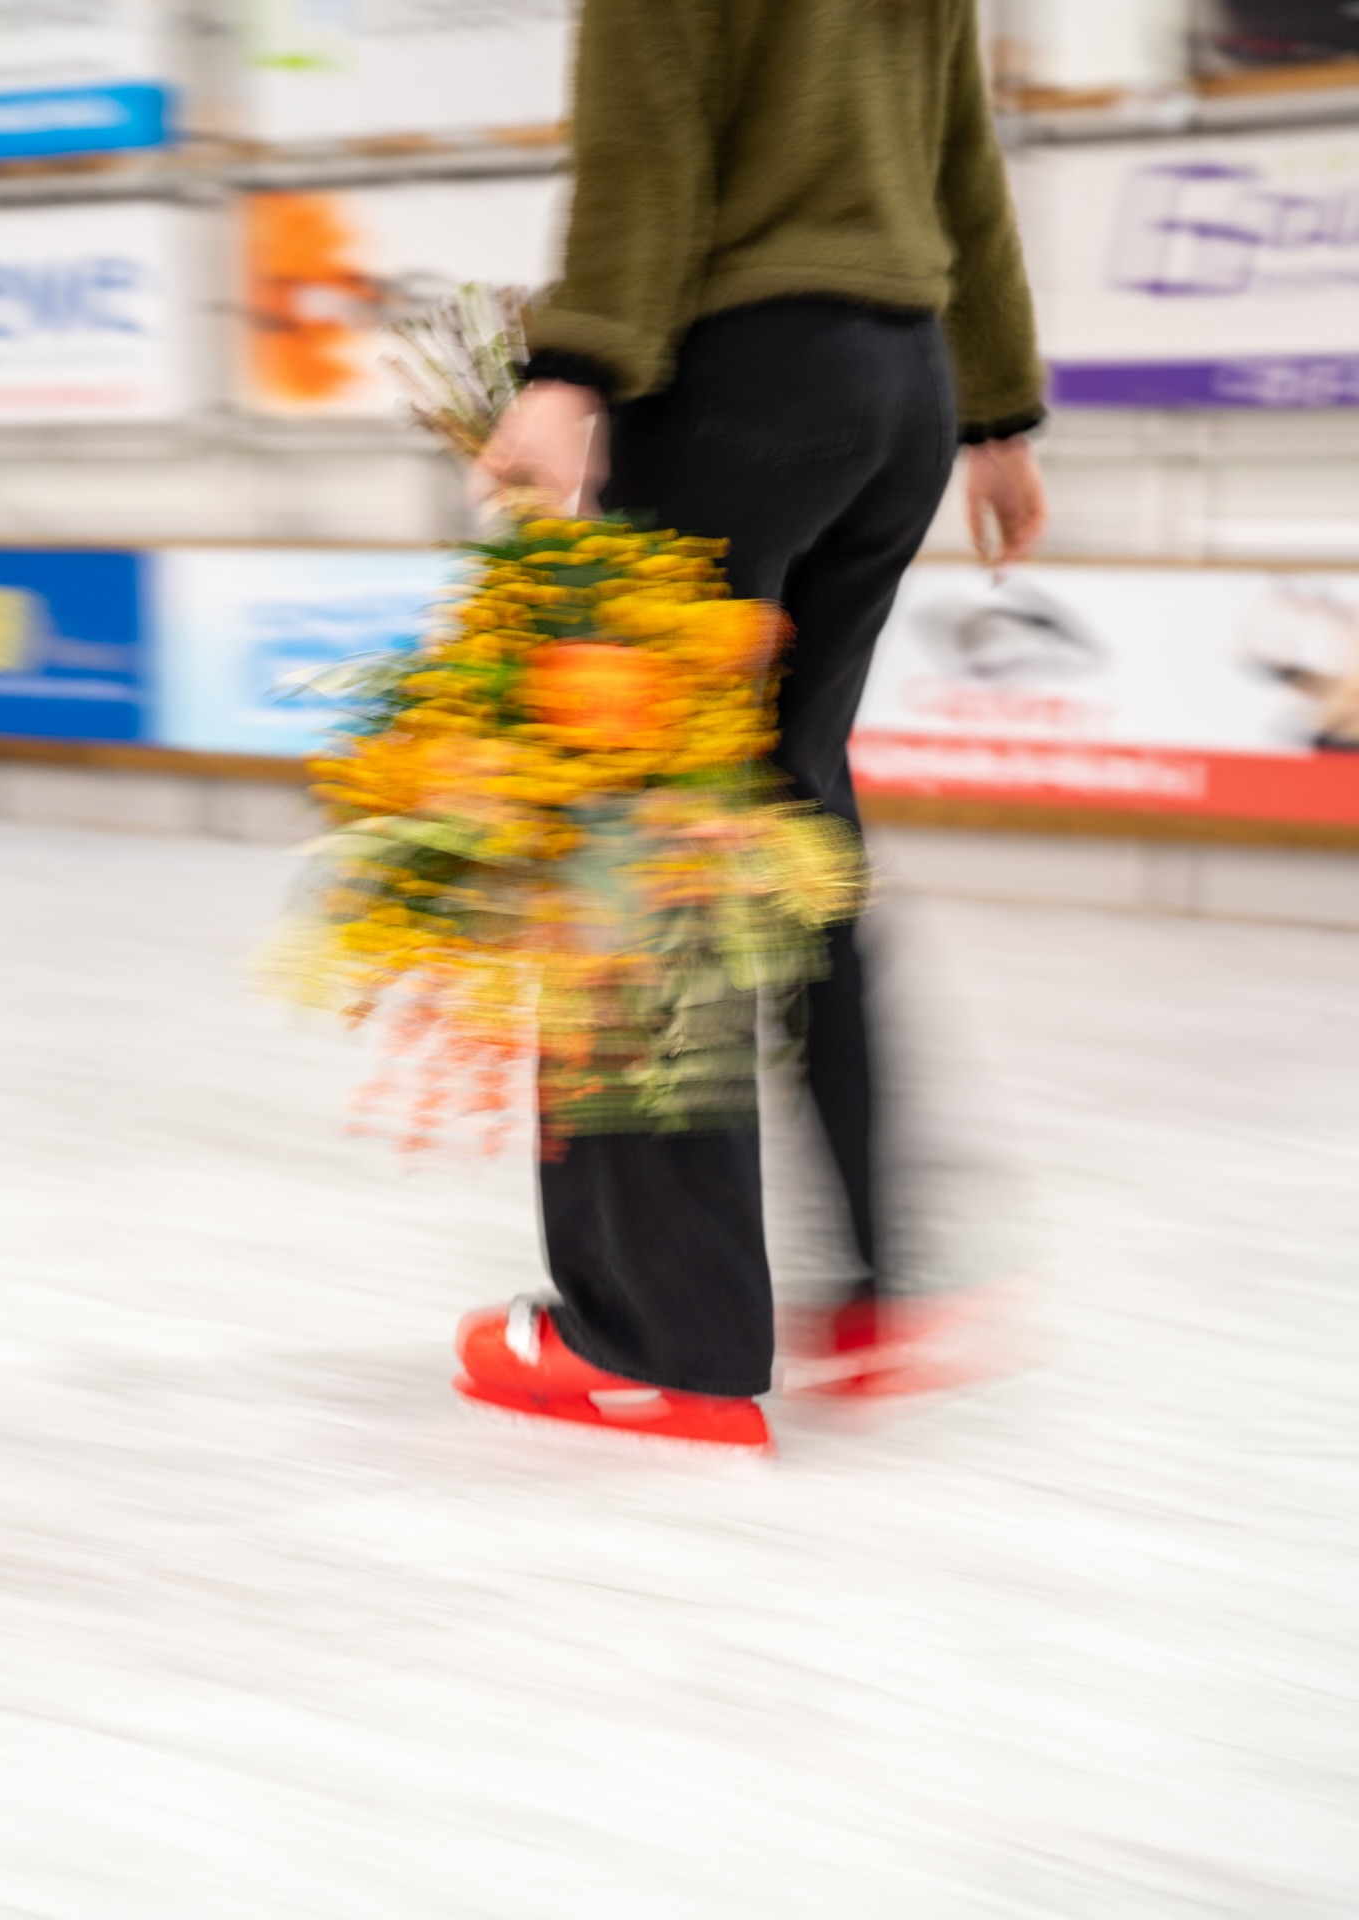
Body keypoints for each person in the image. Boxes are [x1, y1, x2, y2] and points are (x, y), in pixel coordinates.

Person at [454, 0, 1048, 1451]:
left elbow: (645, 147)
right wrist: (999, 408)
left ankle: (660, 1340)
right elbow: (963, 156)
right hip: (898, 392)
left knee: (638, 849)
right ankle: (877, 1293)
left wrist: (569, 369)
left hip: (742, 382)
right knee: (795, 816)